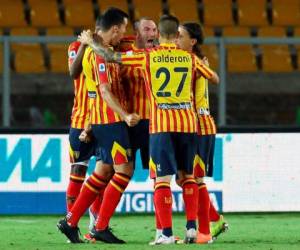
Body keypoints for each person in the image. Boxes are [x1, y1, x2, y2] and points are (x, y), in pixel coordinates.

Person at [80, 14, 219, 245]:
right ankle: (192, 229)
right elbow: (214, 79)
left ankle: (164, 233)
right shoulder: (190, 58)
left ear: (160, 34)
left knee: (162, 179)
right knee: (189, 177)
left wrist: (91, 42)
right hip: (188, 123)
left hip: (162, 125)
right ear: (176, 36)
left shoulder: (149, 57)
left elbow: (112, 57)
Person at [57, 7, 139, 244]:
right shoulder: (96, 53)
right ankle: (99, 226)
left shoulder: (104, 50)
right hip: (109, 120)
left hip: (97, 120)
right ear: (114, 29)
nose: (123, 34)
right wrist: (124, 115)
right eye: (122, 30)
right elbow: (102, 90)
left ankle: (71, 222)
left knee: (103, 171)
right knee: (124, 171)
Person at [176, 22, 228, 243]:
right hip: (189, 125)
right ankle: (215, 219)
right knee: (183, 178)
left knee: (194, 179)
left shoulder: (193, 61)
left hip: (199, 125)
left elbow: (215, 78)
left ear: (192, 41)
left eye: (180, 36)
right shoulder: (186, 60)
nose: (176, 39)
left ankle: (205, 232)